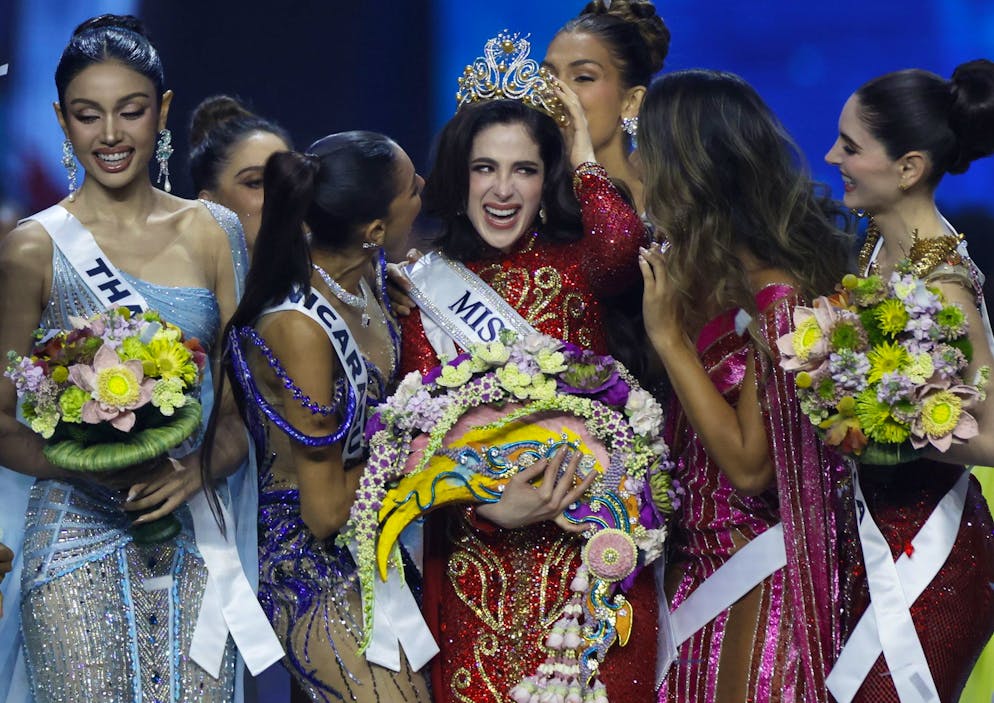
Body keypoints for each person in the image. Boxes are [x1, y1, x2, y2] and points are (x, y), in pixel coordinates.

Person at [0, 15, 278, 702]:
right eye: (89, 116)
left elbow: (240, 415)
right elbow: (1, 420)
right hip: (72, 542)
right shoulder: (33, 248)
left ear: (163, 110)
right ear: (62, 121)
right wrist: (94, 461)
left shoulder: (212, 233)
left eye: (130, 111)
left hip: (191, 540)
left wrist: (194, 469)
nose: (112, 135)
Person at [398, 33, 657, 699]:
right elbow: (415, 438)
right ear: (460, 176)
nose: (503, 190)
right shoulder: (427, 284)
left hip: (586, 559)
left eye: (525, 169)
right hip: (473, 556)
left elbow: (625, 246)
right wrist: (491, 502)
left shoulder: (582, 267)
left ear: (550, 180)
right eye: (485, 168)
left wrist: (582, 150)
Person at [636, 70, 852, 702]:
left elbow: (752, 468)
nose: (639, 164)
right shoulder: (688, 270)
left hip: (754, 577)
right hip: (686, 565)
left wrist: (670, 343)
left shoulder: (778, 296)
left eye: (648, 147)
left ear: (688, 167)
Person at [207, 132, 430, 702]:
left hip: (378, 542)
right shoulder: (300, 328)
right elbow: (326, 510)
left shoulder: (372, 279)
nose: (423, 189)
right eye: (411, 187)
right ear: (373, 229)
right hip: (309, 563)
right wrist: (435, 452)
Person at [823, 60, 994, 703]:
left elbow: (993, 435)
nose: (832, 155)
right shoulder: (873, 245)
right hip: (866, 540)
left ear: (909, 168)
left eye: (851, 146)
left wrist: (885, 428)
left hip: (930, 555)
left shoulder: (943, 280)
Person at [543, 0, 670, 213]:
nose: (556, 92)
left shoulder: (668, 214)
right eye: (547, 77)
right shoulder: (524, 200)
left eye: (583, 77)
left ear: (631, 102)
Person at [188, 95, 292, 255]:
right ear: (210, 206)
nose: (279, 195)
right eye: (255, 183)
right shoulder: (177, 277)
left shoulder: (322, 278)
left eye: (286, 179)